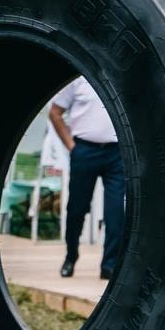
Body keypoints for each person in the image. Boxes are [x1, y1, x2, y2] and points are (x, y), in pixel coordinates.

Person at [47, 76, 124, 280]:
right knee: (77, 209)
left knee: (116, 210)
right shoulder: (77, 79)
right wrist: (71, 147)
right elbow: (55, 113)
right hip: (84, 150)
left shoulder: (121, 78)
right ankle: (71, 256)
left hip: (117, 153)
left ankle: (109, 264)